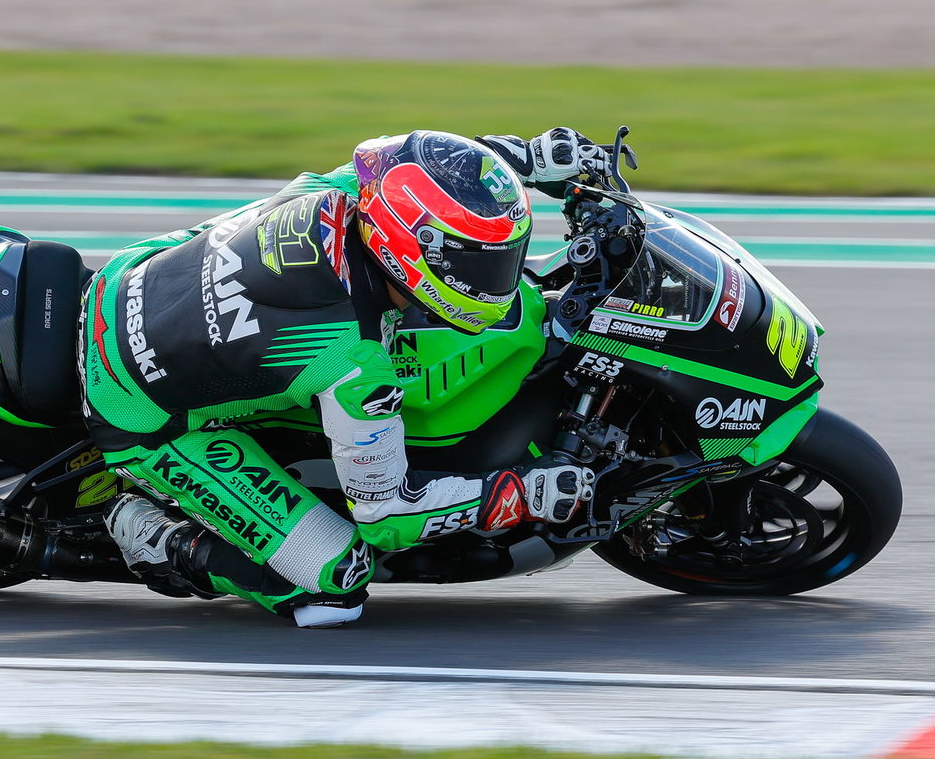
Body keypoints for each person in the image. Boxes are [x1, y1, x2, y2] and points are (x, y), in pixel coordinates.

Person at [82, 127, 603, 627]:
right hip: (136, 409)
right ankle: (160, 539)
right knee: (338, 584)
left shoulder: (344, 193)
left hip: (124, 279)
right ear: (413, 251)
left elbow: (431, 172)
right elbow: (387, 516)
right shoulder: (355, 360)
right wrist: (517, 492)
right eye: (484, 265)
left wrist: (530, 158)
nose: (500, 277)